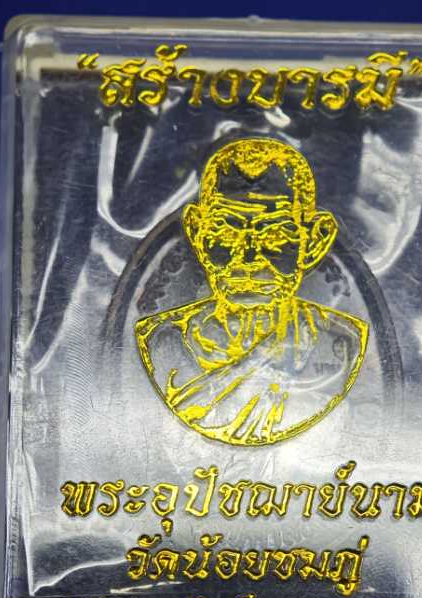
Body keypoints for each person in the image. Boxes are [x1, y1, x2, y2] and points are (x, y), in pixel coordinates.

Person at [135, 137, 368, 446]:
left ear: (314, 241)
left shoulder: (341, 343)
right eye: (227, 233)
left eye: (275, 236)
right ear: (197, 233)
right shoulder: (162, 339)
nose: (248, 260)